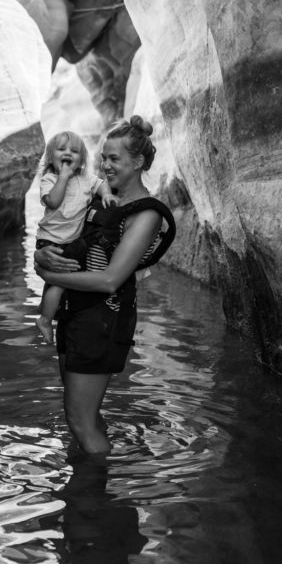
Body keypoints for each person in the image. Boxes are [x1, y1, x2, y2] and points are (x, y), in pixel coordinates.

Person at [34, 115, 176, 456]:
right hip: (74, 314)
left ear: (138, 162)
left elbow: (111, 278)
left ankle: (95, 499)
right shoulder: (99, 198)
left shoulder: (147, 214)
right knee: (82, 416)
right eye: (103, 158)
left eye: (114, 159)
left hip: (103, 321)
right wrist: (42, 260)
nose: (105, 166)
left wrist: (51, 276)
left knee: (78, 418)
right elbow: (59, 236)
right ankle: (84, 478)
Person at [35, 130, 113, 344]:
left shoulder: (87, 179)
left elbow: (101, 184)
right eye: (61, 149)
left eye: (74, 151)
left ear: (82, 160)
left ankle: (47, 310)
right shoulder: (50, 179)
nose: (68, 153)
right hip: (50, 239)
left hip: (71, 240)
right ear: (51, 158)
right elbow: (53, 202)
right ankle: (45, 319)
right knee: (60, 282)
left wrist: (106, 194)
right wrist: (63, 177)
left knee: (59, 282)